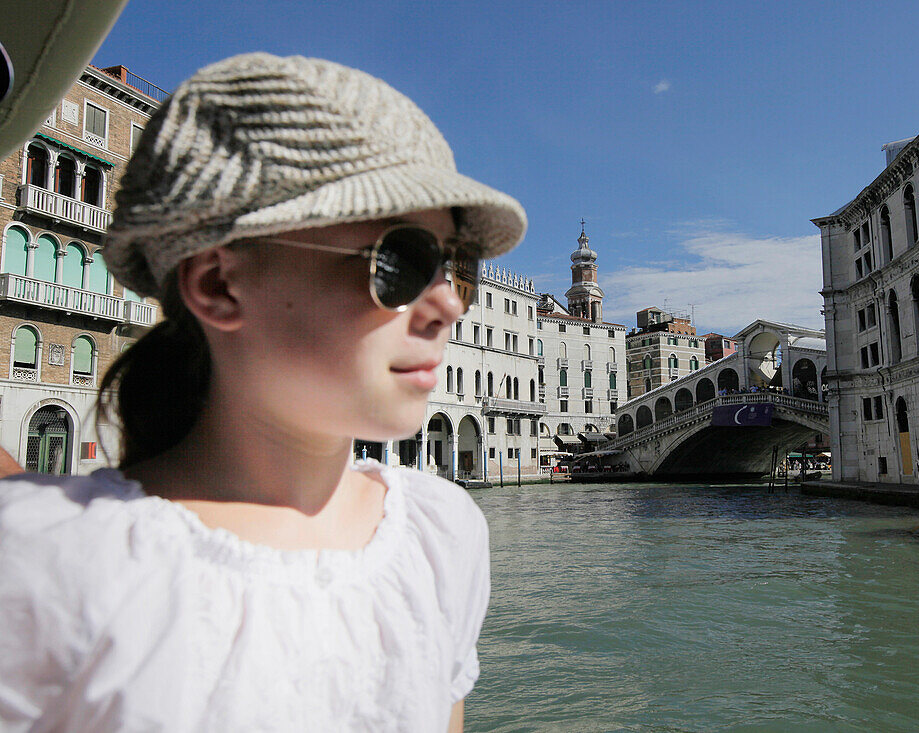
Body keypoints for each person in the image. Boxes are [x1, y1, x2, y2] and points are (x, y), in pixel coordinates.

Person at [0, 53, 527, 731]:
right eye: (400, 261)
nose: (449, 304)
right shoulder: (42, 565)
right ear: (219, 284)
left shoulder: (442, 537)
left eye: (454, 264)